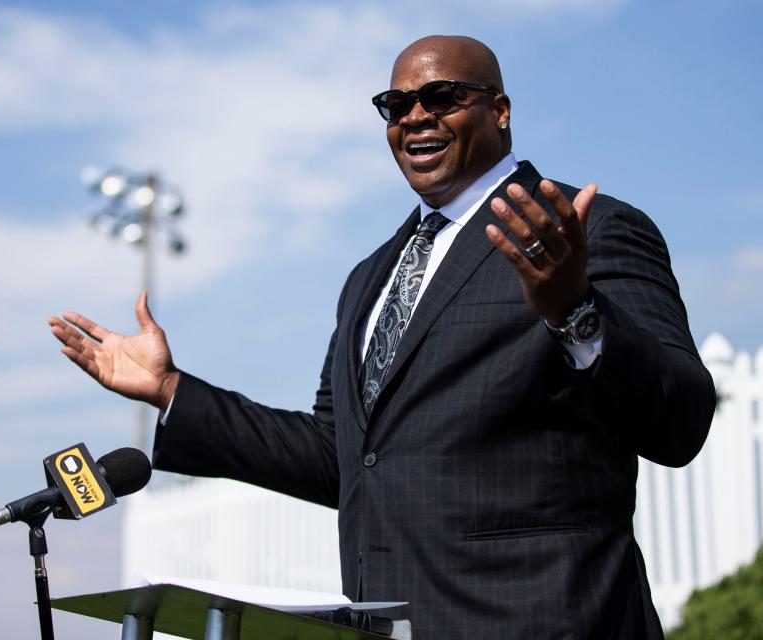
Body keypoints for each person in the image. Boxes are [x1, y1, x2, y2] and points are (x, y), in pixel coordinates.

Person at [50, 35, 715, 639]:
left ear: (500, 110)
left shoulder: (587, 229)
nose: (415, 118)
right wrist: (169, 390)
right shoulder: (371, 277)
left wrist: (574, 311)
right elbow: (341, 456)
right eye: (395, 106)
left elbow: (680, 421)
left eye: (441, 98)